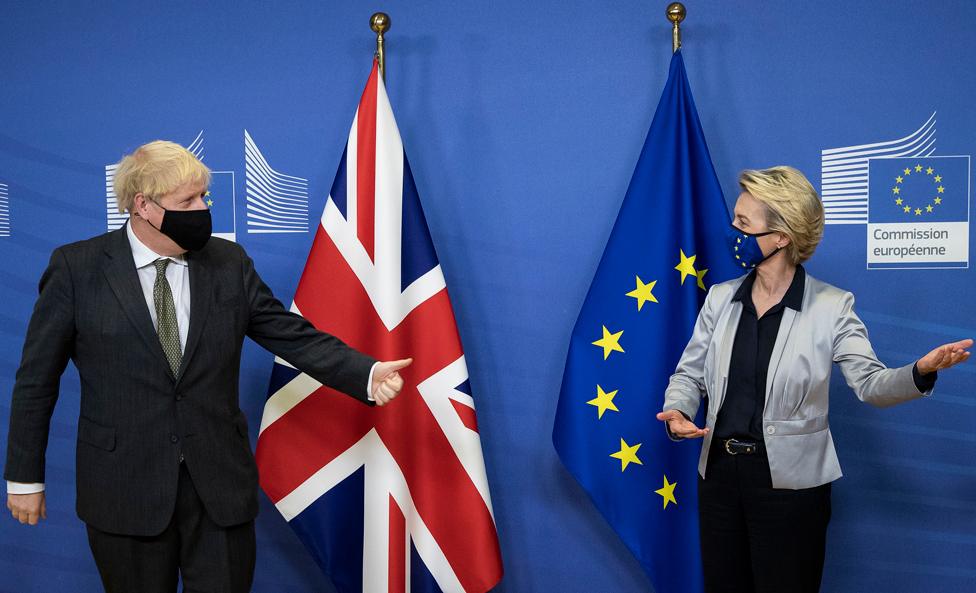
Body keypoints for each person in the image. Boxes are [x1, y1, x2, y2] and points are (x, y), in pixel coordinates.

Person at [4, 140, 412, 593]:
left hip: (218, 488)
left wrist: (365, 373)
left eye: (204, 197)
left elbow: (289, 334)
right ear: (144, 206)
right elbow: (36, 381)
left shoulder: (228, 264)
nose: (202, 208)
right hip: (124, 489)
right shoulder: (76, 269)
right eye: (187, 201)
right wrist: (25, 477)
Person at [655, 166, 971, 593]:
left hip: (792, 490)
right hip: (719, 480)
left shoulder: (833, 306)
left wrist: (920, 371)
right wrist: (677, 409)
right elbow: (689, 373)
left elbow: (871, 385)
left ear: (782, 236)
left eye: (743, 224)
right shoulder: (719, 297)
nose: (732, 230)